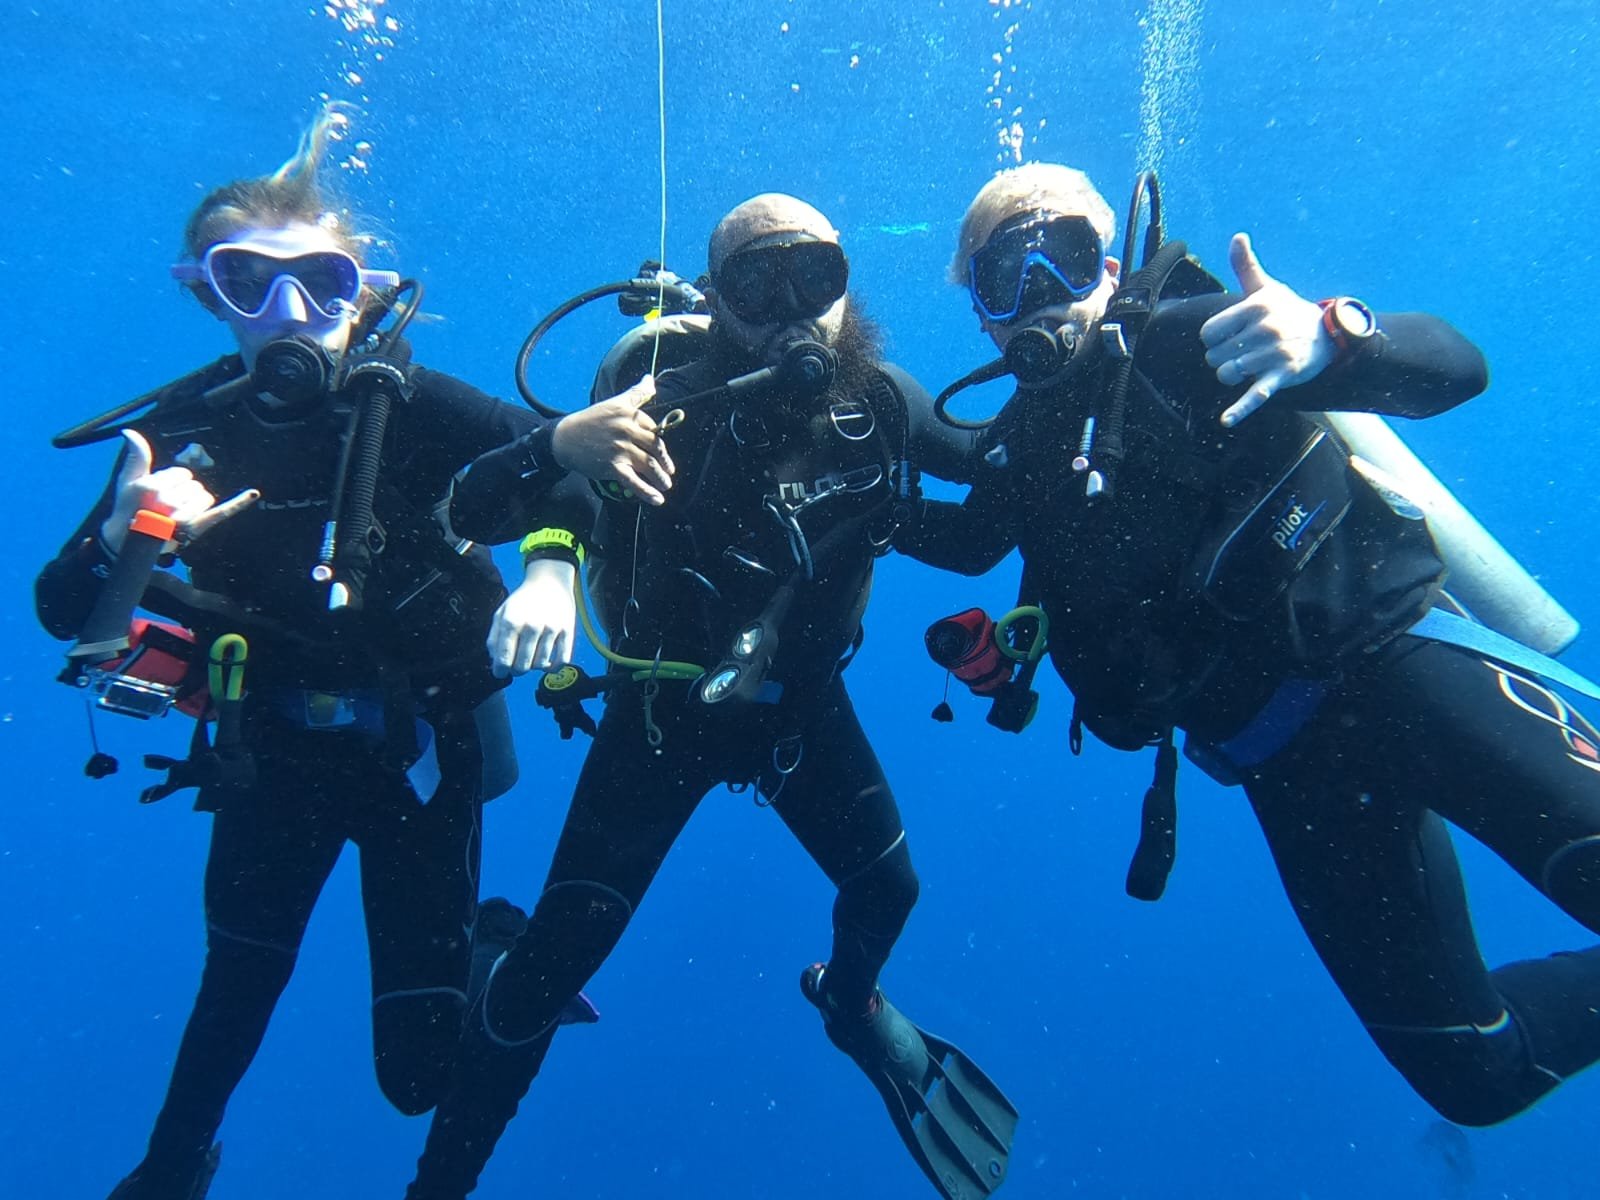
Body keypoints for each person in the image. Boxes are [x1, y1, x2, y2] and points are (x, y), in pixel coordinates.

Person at [35, 109, 673, 1200]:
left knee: (417, 1078)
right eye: (249, 283)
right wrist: (120, 533)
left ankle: (493, 949)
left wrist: (554, 572)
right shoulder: (185, 437)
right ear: (205, 293)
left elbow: (557, 473)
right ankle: (172, 1166)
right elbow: (61, 608)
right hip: (269, 752)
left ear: (362, 291)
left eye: (321, 285)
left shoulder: (410, 404)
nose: (289, 314)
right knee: (233, 988)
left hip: (419, 755)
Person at [899, 161, 1600, 1126]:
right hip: (1293, 776)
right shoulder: (1025, 450)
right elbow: (972, 541)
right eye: (1000, 280)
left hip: (1404, 670)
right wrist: (835, 502)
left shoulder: (1202, 340)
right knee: (1475, 1078)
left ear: (1106, 265)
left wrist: (1336, 338)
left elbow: (1457, 368)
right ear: (979, 314)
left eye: (1057, 259)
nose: (1035, 300)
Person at [400, 193, 1016, 1200]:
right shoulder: (656, 396)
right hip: (662, 719)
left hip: (800, 710)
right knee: (547, 975)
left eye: (812, 278)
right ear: (716, 301)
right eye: (754, 286)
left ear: (845, 284)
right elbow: (495, 503)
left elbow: (1003, 488)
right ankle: (438, 1186)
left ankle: (851, 1004)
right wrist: (552, 533)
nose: (787, 314)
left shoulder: (880, 406)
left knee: (888, 890)